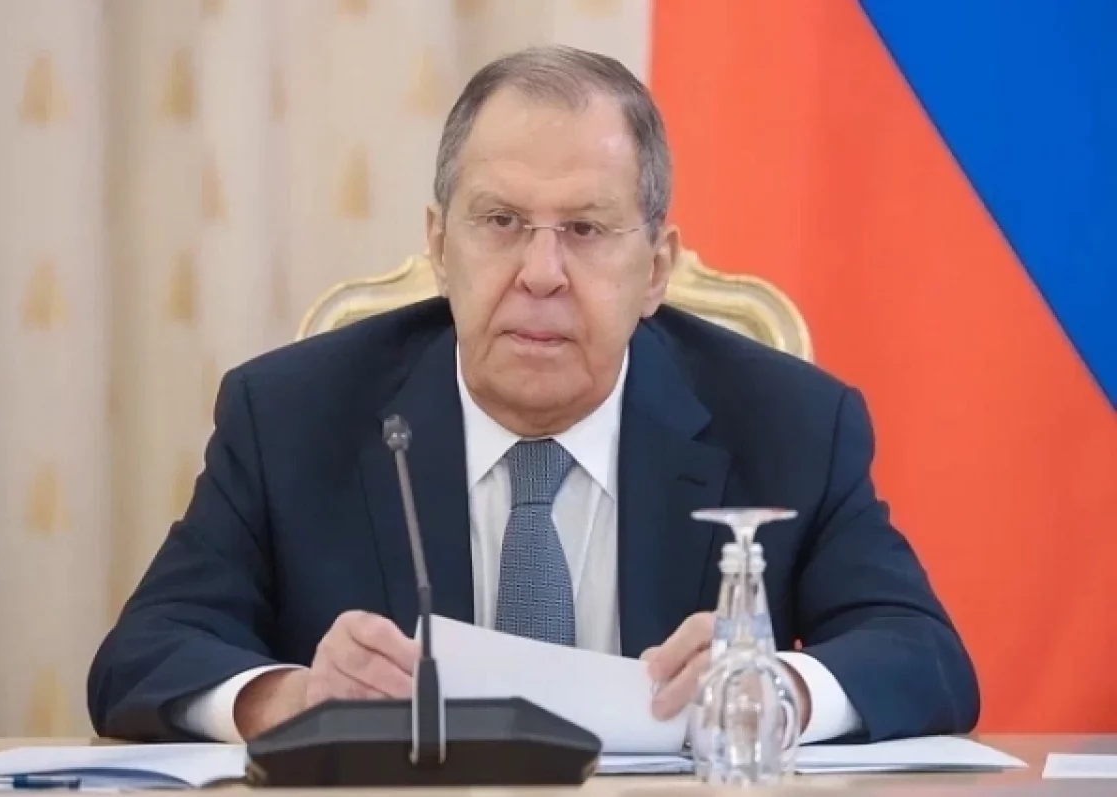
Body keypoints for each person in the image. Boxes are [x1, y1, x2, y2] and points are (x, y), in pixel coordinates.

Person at [87, 45, 979, 745]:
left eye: (586, 229)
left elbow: (924, 655)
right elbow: (145, 653)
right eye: (501, 222)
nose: (541, 273)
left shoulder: (789, 422)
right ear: (440, 245)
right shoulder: (289, 416)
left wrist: (776, 687)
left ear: (656, 269)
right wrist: (288, 697)